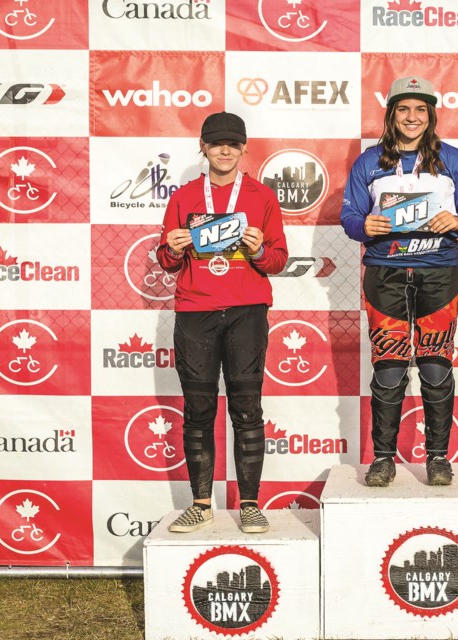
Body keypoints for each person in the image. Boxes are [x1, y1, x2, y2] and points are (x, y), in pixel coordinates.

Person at [341, 76, 458, 487]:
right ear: (391, 114)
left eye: (420, 109)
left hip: (439, 273)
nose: (412, 117)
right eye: (404, 108)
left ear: (431, 115)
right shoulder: (369, 162)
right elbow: (350, 218)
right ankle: (383, 458)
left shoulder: (454, 160)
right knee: (388, 368)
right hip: (384, 273)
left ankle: (438, 458)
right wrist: (363, 224)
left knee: (435, 366)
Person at [157, 111, 288, 533]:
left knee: (247, 409)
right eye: (216, 143)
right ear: (203, 148)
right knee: (198, 410)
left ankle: (249, 502)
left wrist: (256, 251)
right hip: (195, 311)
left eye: (233, 143)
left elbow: (278, 260)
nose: (225, 150)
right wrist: (174, 249)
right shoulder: (184, 198)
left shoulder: (262, 196)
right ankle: (200, 503)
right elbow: (165, 261)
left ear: (244, 148)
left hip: (247, 310)